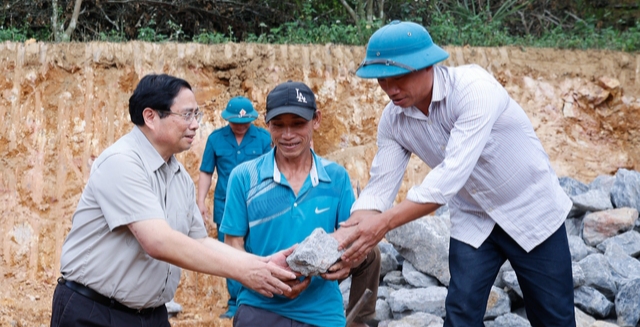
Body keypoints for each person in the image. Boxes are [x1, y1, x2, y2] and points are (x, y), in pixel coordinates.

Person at [337, 21, 575, 327]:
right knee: (461, 313)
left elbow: (449, 178)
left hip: (531, 210)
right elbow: (379, 187)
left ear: (428, 66)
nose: (390, 89)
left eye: (399, 77)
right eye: (381, 80)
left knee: (553, 316)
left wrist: (381, 225)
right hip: (473, 218)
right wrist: (351, 232)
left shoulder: (475, 90)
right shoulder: (394, 120)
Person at [50, 74, 296, 327]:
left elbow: (199, 240)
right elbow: (158, 241)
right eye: (187, 115)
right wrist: (244, 273)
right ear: (151, 117)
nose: (195, 125)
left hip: (151, 316)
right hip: (95, 313)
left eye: (196, 115)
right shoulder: (121, 162)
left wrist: (260, 263)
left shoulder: (179, 177)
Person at [221, 81, 380, 327]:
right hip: (259, 307)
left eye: (298, 124)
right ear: (266, 123)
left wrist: (348, 264)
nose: (288, 135)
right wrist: (262, 276)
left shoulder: (336, 178)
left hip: (322, 312)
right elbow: (232, 245)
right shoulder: (244, 177)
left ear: (316, 119)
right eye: (278, 125)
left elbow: (353, 243)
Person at [197, 96, 272, 318]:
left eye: (245, 122)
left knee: (256, 249)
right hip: (226, 206)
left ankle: (257, 299)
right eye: (236, 122)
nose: (241, 126)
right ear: (227, 120)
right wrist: (200, 201)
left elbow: (272, 168)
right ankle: (235, 302)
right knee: (230, 252)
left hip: (257, 205)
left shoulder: (263, 138)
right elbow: (206, 171)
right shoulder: (215, 139)